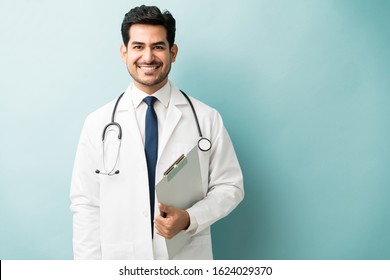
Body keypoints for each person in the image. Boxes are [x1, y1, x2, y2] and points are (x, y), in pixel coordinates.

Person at [70, 5, 244, 260]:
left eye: (158, 47)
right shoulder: (98, 123)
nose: (148, 57)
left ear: (173, 52)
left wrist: (189, 218)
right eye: (138, 46)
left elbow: (230, 187)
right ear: (124, 52)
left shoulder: (206, 118)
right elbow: (86, 205)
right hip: (121, 260)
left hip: (185, 259)